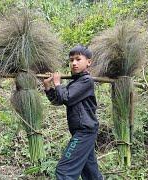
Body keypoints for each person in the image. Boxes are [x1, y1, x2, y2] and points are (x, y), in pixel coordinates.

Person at [43, 45, 103, 180]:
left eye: (78, 59)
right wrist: (48, 87)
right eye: (71, 60)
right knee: (90, 173)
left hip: (84, 132)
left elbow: (67, 98)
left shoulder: (86, 81)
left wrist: (58, 84)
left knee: (64, 171)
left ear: (88, 62)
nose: (74, 63)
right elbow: (58, 100)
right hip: (82, 131)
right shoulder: (74, 83)